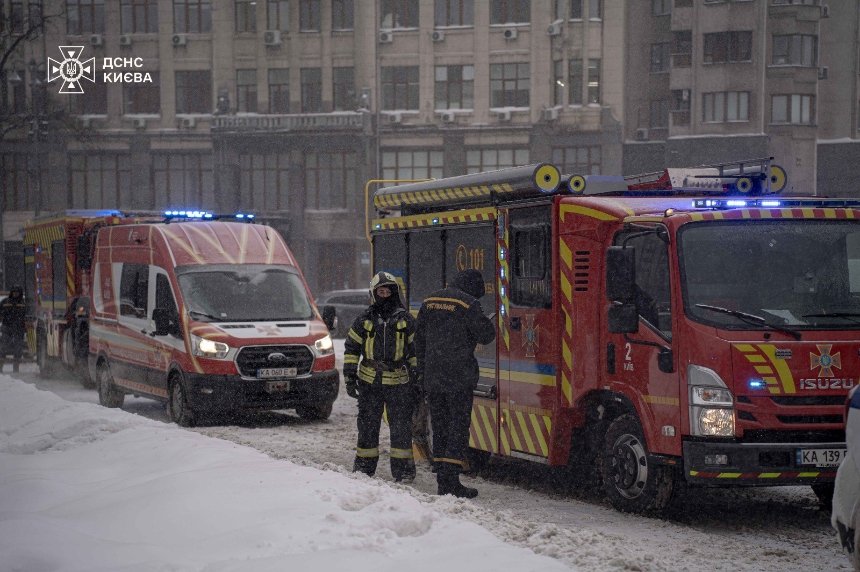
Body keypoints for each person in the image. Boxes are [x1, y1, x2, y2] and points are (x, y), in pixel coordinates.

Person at [415, 269, 495, 498]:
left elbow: (418, 339)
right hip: (458, 377)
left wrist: (422, 371)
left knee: (440, 427)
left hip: (433, 377)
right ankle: (451, 481)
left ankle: (443, 480)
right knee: (457, 428)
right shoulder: (469, 304)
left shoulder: (430, 301)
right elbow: (485, 335)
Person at [343, 271, 419, 482]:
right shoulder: (365, 320)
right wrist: (350, 376)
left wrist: (416, 377)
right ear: (374, 294)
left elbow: (415, 352)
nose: (385, 295)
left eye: (388, 291)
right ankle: (364, 469)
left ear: (395, 293)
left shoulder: (406, 320)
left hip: (399, 384)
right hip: (370, 383)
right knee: (367, 427)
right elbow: (351, 349)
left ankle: (403, 471)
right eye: (381, 291)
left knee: (401, 428)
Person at [0, 286, 27, 373]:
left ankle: (16, 369)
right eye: (14, 291)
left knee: (18, 349)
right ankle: (0, 368)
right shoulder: (5, 302)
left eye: (17, 292)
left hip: (19, 329)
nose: (15, 293)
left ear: (20, 293)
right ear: (11, 292)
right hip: (6, 328)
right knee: (3, 348)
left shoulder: (24, 303)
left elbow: (27, 315)